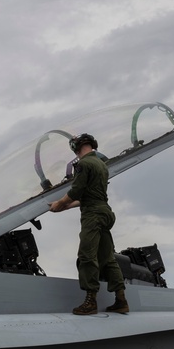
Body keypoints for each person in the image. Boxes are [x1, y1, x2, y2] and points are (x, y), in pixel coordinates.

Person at [48, 133, 128, 315]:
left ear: (75, 147)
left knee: (87, 256)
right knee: (108, 257)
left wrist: (59, 203)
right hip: (105, 212)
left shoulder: (83, 164)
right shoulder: (101, 164)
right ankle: (121, 300)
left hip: (93, 215)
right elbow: (90, 196)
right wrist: (64, 207)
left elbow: (76, 191)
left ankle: (90, 302)